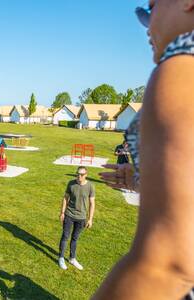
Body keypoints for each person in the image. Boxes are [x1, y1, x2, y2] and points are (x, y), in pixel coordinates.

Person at [95, 1, 194, 299]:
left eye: (151, 7)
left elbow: (170, 265)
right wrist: (143, 181)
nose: (147, 24)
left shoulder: (183, 65)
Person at [58, 166, 95, 271]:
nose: (79, 176)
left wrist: (90, 219)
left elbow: (92, 203)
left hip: (81, 218)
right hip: (69, 215)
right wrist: (62, 212)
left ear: (86, 175)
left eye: (82, 174)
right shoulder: (71, 183)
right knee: (65, 237)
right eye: (77, 174)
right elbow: (65, 198)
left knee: (75, 238)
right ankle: (61, 257)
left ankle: (72, 258)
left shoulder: (90, 186)